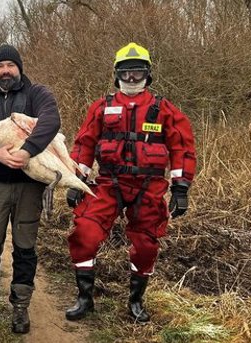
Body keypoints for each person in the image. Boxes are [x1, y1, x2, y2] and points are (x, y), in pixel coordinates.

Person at [65, 42, 197, 323]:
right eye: (126, 73)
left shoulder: (165, 110)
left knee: (147, 245)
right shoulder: (102, 107)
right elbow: (84, 145)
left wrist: (181, 188)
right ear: (117, 75)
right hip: (108, 184)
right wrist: (77, 181)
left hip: (148, 188)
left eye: (138, 72)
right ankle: (84, 298)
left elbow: (182, 149)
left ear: (148, 74)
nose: (132, 78)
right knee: (84, 233)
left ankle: (136, 300)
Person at [0, 44, 61, 334]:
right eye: (0, 66)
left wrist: (28, 151)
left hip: (29, 186)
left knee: (25, 247)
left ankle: (20, 308)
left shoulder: (37, 94)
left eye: (10, 65)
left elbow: (51, 121)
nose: (5, 71)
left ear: (19, 67)